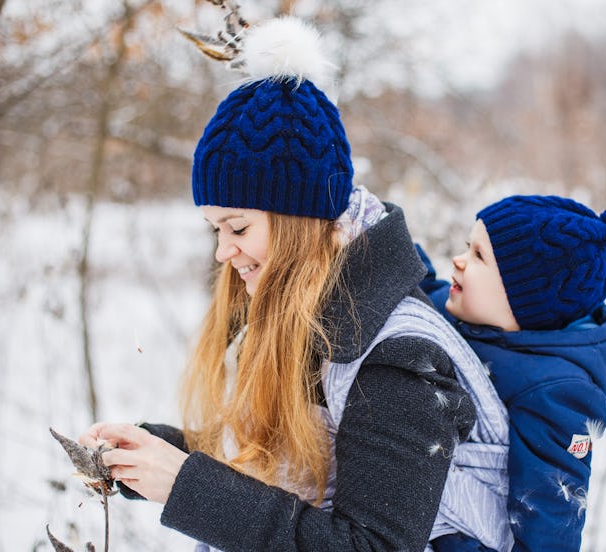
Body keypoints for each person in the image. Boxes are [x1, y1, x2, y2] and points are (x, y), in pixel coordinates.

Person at [79, 17, 512, 551]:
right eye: (216, 229)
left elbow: (371, 545)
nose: (223, 251)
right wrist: (157, 455)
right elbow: (291, 461)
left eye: (238, 227)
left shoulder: (397, 361)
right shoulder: (309, 307)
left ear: (298, 221)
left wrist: (185, 486)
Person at [417, 195, 606, 551]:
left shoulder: (558, 391)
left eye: (478, 256)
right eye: (468, 247)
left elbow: (553, 517)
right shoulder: (482, 317)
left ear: (523, 298)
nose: (458, 261)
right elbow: (424, 293)